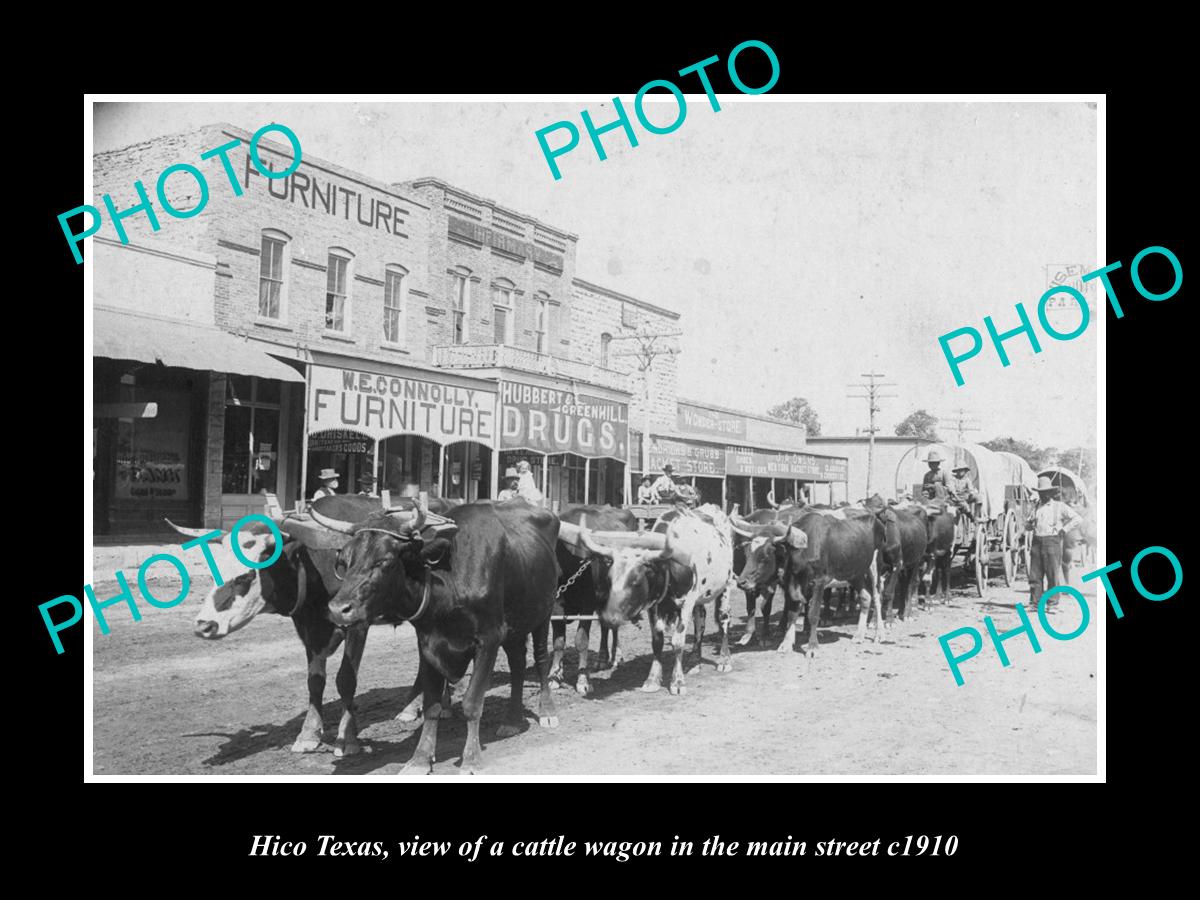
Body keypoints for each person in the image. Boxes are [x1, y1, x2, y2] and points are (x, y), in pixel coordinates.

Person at [1027, 475, 1083, 612]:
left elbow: (1077, 518)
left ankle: (1052, 604)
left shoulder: (1059, 506)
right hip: (1037, 541)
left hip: (1052, 541)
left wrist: (1064, 529)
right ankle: (1035, 603)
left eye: (1045, 492)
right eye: (1040, 492)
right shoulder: (1035, 506)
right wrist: (1029, 523)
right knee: (1035, 575)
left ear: (1050, 493)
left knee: (1052, 574)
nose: (1043, 494)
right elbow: (1027, 526)